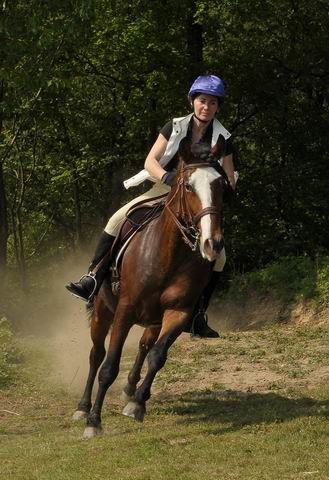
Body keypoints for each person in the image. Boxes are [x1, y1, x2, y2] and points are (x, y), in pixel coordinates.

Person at [66, 74, 236, 338]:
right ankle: (93, 277)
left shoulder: (223, 137)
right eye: (202, 100)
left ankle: (199, 313)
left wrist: (222, 189)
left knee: (220, 256)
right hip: (164, 188)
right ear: (193, 101)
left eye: (213, 103)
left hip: (197, 199)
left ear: (218, 107)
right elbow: (150, 161)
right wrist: (168, 177)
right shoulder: (175, 126)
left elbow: (229, 175)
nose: (207, 107)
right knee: (116, 219)